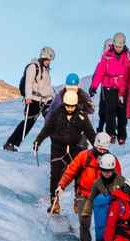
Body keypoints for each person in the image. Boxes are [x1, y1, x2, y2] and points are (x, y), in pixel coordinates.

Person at [57, 133, 118, 241]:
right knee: (84, 224)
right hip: (84, 195)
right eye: (99, 148)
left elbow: (117, 179)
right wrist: (61, 186)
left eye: (104, 149)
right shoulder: (84, 156)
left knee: (101, 228)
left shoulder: (112, 159)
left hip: (103, 198)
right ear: (95, 145)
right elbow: (71, 171)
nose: (102, 151)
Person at [33, 87, 95, 215]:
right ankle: (54, 202)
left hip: (75, 146)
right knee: (55, 174)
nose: (70, 109)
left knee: (79, 173)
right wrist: (38, 141)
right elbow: (47, 129)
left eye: (73, 106)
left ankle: (78, 200)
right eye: (68, 106)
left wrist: (97, 148)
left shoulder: (81, 116)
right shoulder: (57, 114)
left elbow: (90, 132)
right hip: (58, 147)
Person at [5, 47, 55, 152]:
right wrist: (28, 97)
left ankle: (58, 147)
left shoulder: (45, 70)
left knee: (52, 122)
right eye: (48, 59)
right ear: (43, 57)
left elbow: (46, 86)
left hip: (46, 101)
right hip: (34, 99)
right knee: (28, 123)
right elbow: (28, 82)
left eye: (50, 60)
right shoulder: (33, 67)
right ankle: (11, 143)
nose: (49, 62)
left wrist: (52, 98)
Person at [90, 34, 130, 145]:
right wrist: (94, 86)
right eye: (116, 46)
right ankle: (110, 134)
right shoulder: (107, 56)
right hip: (109, 87)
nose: (118, 48)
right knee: (110, 112)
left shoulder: (128, 56)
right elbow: (100, 72)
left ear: (123, 45)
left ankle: (122, 135)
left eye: (120, 47)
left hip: (123, 88)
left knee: (122, 113)